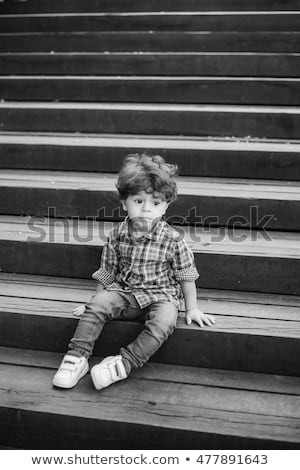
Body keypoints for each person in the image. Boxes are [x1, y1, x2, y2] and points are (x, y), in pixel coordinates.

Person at [53, 153, 215, 390]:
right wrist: (95, 302)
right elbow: (107, 273)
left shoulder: (173, 240)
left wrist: (192, 308)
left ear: (165, 206)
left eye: (156, 203)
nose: (147, 209)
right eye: (139, 201)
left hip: (162, 297)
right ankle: (77, 358)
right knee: (98, 305)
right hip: (126, 293)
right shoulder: (117, 235)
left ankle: (123, 363)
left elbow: (186, 276)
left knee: (164, 323)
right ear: (124, 202)